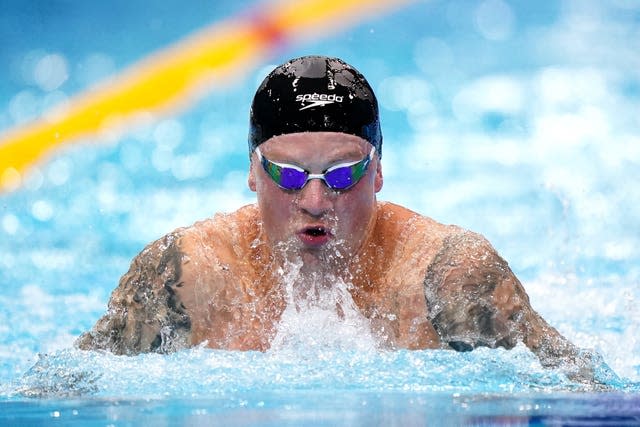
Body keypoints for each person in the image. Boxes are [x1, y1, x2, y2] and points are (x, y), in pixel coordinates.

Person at [76, 55, 605, 384]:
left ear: (378, 172)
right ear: (252, 174)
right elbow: (64, 387)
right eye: (286, 175)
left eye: (342, 174)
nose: (313, 199)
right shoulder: (186, 274)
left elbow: (583, 388)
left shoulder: (448, 278)